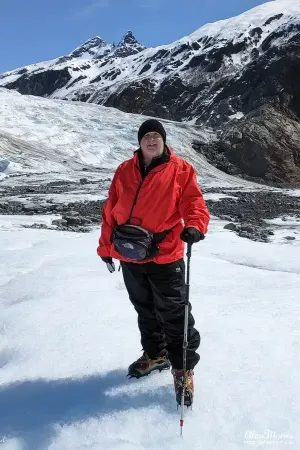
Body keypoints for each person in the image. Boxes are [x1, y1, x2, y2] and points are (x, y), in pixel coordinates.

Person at [97, 119, 210, 406]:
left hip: (165, 254)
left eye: (155, 135)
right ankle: (156, 355)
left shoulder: (180, 169)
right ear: (139, 142)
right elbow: (110, 210)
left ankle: (183, 368)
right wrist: (105, 247)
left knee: (174, 313)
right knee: (145, 310)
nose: (151, 140)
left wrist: (195, 225)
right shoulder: (125, 169)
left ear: (163, 140)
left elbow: (194, 203)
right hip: (129, 255)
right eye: (146, 136)